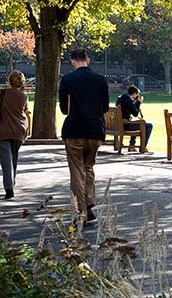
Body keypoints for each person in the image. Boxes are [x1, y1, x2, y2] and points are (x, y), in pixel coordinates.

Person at [58, 49, 110, 223]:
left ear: (72, 61)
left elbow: (64, 109)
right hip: (95, 130)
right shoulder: (100, 79)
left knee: (77, 170)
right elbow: (105, 107)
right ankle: (89, 204)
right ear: (87, 59)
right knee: (89, 167)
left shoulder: (67, 80)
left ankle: (80, 210)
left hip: (75, 129)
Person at [0, 70, 30, 199]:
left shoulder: (2, 93)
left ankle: (9, 188)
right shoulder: (24, 96)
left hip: (3, 130)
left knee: (6, 161)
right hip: (19, 130)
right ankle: (12, 183)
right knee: (14, 158)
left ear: (9, 81)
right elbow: (25, 110)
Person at [115, 86, 153, 153]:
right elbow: (135, 113)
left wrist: (135, 102)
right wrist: (138, 102)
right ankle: (143, 147)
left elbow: (130, 109)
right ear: (134, 93)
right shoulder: (128, 100)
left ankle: (132, 145)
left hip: (119, 124)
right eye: (137, 94)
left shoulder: (120, 98)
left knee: (136, 123)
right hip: (126, 125)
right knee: (149, 126)